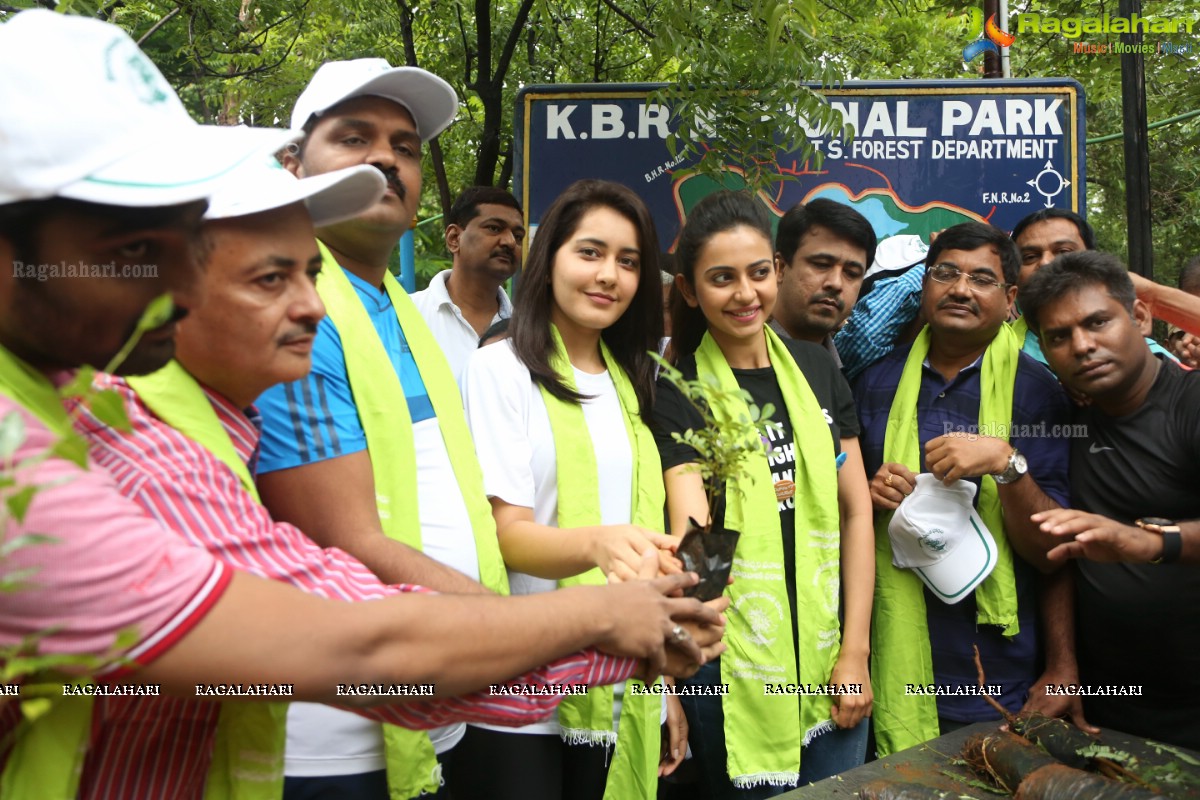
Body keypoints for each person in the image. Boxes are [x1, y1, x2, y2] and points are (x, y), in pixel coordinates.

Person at [0, 16, 726, 797]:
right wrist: (605, 622)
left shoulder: (106, 406)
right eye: (137, 250)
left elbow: (330, 590)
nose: (178, 290)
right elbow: (352, 638)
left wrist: (620, 635)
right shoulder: (49, 461)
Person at [255, 59, 521, 796]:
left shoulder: (400, 310)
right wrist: (533, 633)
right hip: (329, 737)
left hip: (433, 709)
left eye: (404, 147)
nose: (384, 159)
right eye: (353, 137)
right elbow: (347, 539)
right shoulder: (287, 310)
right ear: (291, 165)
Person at [457, 179, 691, 800]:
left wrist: (663, 685)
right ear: (549, 256)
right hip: (522, 691)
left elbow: (645, 558)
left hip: (618, 685)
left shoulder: (636, 383)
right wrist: (599, 545)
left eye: (629, 261)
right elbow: (507, 537)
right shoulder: (500, 370)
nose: (608, 275)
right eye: (590, 252)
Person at [655, 190, 875, 795]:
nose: (745, 294)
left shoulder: (817, 369)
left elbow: (856, 512)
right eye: (721, 279)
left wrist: (854, 652)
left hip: (831, 647)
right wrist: (679, 669)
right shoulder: (681, 388)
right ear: (692, 290)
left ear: (776, 272)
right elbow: (694, 535)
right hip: (732, 660)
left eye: (757, 273)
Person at [852, 222, 1072, 755]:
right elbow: (838, 509)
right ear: (925, 285)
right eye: (946, 273)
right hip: (884, 658)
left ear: (1010, 298)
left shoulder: (1039, 392)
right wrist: (866, 492)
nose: (960, 289)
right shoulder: (874, 382)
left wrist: (1006, 462)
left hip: (995, 672)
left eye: (982, 278)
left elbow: (1053, 552)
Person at [1018, 251, 1200, 749]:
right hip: (1107, 706)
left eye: (1097, 322)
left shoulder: (1190, 403)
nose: (1082, 345)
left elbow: (1129, 543)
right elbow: (1060, 554)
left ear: (1140, 317)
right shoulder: (1061, 417)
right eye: (1058, 336)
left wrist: (1150, 543)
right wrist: (1062, 662)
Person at [1009, 208, 1177, 366]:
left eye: (1063, 252)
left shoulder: (1149, 356)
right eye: (1030, 257)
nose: (1046, 262)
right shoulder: (996, 351)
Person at [411, 186, 525, 379]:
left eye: (518, 236)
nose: (510, 242)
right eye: (494, 228)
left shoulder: (529, 333)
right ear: (454, 238)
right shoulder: (406, 316)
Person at [771, 198, 877, 368]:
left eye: (851, 273)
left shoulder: (842, 376)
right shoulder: (735, 358)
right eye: (821, 265)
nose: (836, 283)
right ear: (781, 268)